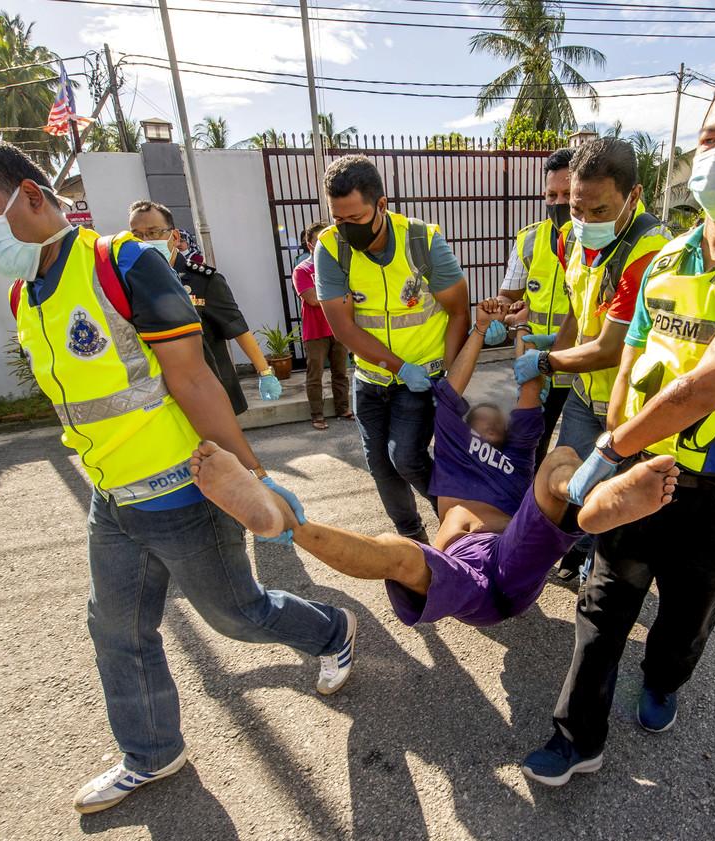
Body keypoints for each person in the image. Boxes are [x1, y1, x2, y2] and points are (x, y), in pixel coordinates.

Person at [0, 140, 357, 815]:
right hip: (113, 499)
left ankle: (332, 629)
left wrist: (252, 475)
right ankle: (152, 752)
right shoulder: (25, 293)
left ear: (31, 195)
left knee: (238, 615)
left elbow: (193, 377)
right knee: (117, 629)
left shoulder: (121, 262)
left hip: (183, 488)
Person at [520, 71, 715, 787]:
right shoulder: (667, 256)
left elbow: (712, 380)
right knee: (604, 602)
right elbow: (632, 355)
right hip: (641, 468)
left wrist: (610, 446)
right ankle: (576, 736)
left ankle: (664, 680)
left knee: (686, 617)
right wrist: (622, 435)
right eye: (711, 136)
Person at [190, 298, 678, 629]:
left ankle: (592, 503)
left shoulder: (517, 445)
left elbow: (529, 385)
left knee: (560, 462)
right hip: (459, 568)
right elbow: (453, 383)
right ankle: (282, 520)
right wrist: (482, 327)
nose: (489, 414)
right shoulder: (451, 437)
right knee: (402, 556)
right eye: (479, 413)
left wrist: (526, 332)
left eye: (498, 416)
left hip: (511, 552)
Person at [513, 138, 672, 581]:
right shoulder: (570, 237)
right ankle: (583, 551)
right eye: (577, 208)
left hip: (635, 403)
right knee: (580, 485)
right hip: (585, 395)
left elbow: (610, 347)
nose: (582, 221)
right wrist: (555, 351)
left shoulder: (650, 251)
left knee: (624, 499)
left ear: (634, 196)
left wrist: (546, 364)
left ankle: (607, 566)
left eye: (598, 211)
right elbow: (574, 311)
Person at [315, 155, 471, 543]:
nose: (347, 229)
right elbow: (343, 327)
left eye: (356, 218)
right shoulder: (331, 248)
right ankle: (413, 542)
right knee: (380, 466)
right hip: (372, 379)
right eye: (339, 219)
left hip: (421, 380)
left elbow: (457, 312)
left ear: (381, 205)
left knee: (406, 459)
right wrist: (396, 366)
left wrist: (451, 382)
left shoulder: (422, 241)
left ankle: (461, 525)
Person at [128, 200, 281, 413]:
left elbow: (237, 326)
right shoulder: (131, 283)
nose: (144, 241)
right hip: (160, 395)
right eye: (137, 235)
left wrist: (265, 372)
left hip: (209, 389)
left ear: (174, 237)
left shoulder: (204, 281)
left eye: (153, 233)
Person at [498, 147, 576, 468]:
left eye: (568, 194)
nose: (558, 203)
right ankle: (527, 512)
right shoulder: (529, 240)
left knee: (574, 456)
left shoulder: (600, 239)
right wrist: (502, 313)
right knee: (528, 450)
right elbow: (508, 296)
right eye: (552, 194)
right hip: (537, 369)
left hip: (583, 369)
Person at [292, 220, 352, 429]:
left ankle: (343, 408)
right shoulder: (302, 270)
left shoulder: (340, 267)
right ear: (309, 245)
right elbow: (312, 299)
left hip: (339, 327)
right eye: (319, 240)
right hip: (315, 330)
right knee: (315, 374)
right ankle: (317, 415)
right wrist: (339, 294)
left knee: (341, 372)